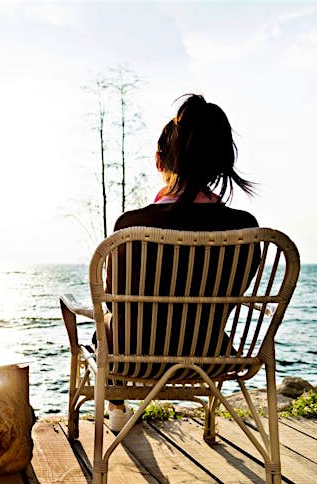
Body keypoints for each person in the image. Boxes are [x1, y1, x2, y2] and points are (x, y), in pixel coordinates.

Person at [106, 94, 259, 431]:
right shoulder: (245, 228)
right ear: (220, 160)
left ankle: (117, 407)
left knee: (107, 320)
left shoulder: (131, 227)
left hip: (132, 358)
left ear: (161, 161)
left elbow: (115, 298)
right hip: (210, 356)